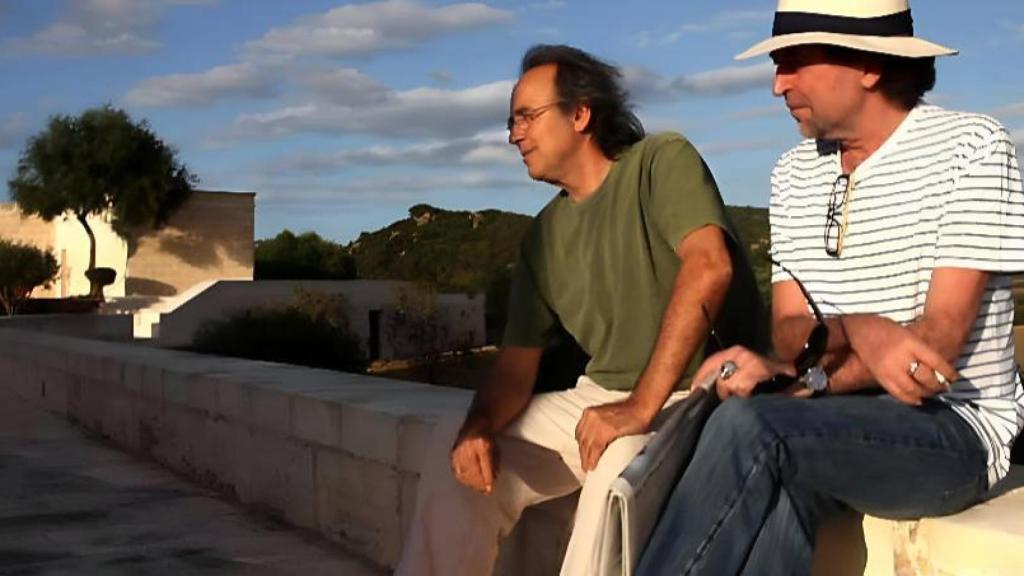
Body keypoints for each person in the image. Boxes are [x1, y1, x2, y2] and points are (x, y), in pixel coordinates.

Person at [636, 1, 1024, 574]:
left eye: (793, 62)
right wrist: (861, 332)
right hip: (833, 421)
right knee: (772, 491)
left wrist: (808, 376)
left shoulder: (972, 147)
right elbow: (792, 334)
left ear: (868, 64)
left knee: (753, 425)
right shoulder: (792, 173)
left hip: (955, 432)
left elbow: (931, 355)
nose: (777, 85)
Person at [396, 44, 764, 576]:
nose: (513, 135)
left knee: (614, 474)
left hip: (697, 393)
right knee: (455, 439)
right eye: (510, 121)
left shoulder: (660, 162)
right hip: (600, 398)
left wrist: (639, 405)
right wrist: (478, 426)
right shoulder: (544, 235)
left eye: (527, 116)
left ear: (581, 113)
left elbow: (711, 267)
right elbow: (515, 371)